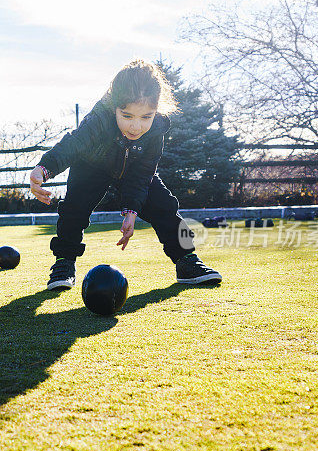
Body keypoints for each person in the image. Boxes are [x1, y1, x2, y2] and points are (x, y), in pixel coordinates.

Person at [29, 59, 222, 290]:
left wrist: (132, 211)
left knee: (164, 206)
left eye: (146, 117)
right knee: (74, 209)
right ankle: (64, 263)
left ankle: (187, 260)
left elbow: (142, 175)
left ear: (156, 111)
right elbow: (74, 144)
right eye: (127, 116)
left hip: (134, 168)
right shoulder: (100, 118)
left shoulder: (157, 130)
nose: (136, 127)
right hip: (92, 166)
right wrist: (43, 168)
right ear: (115, 107)